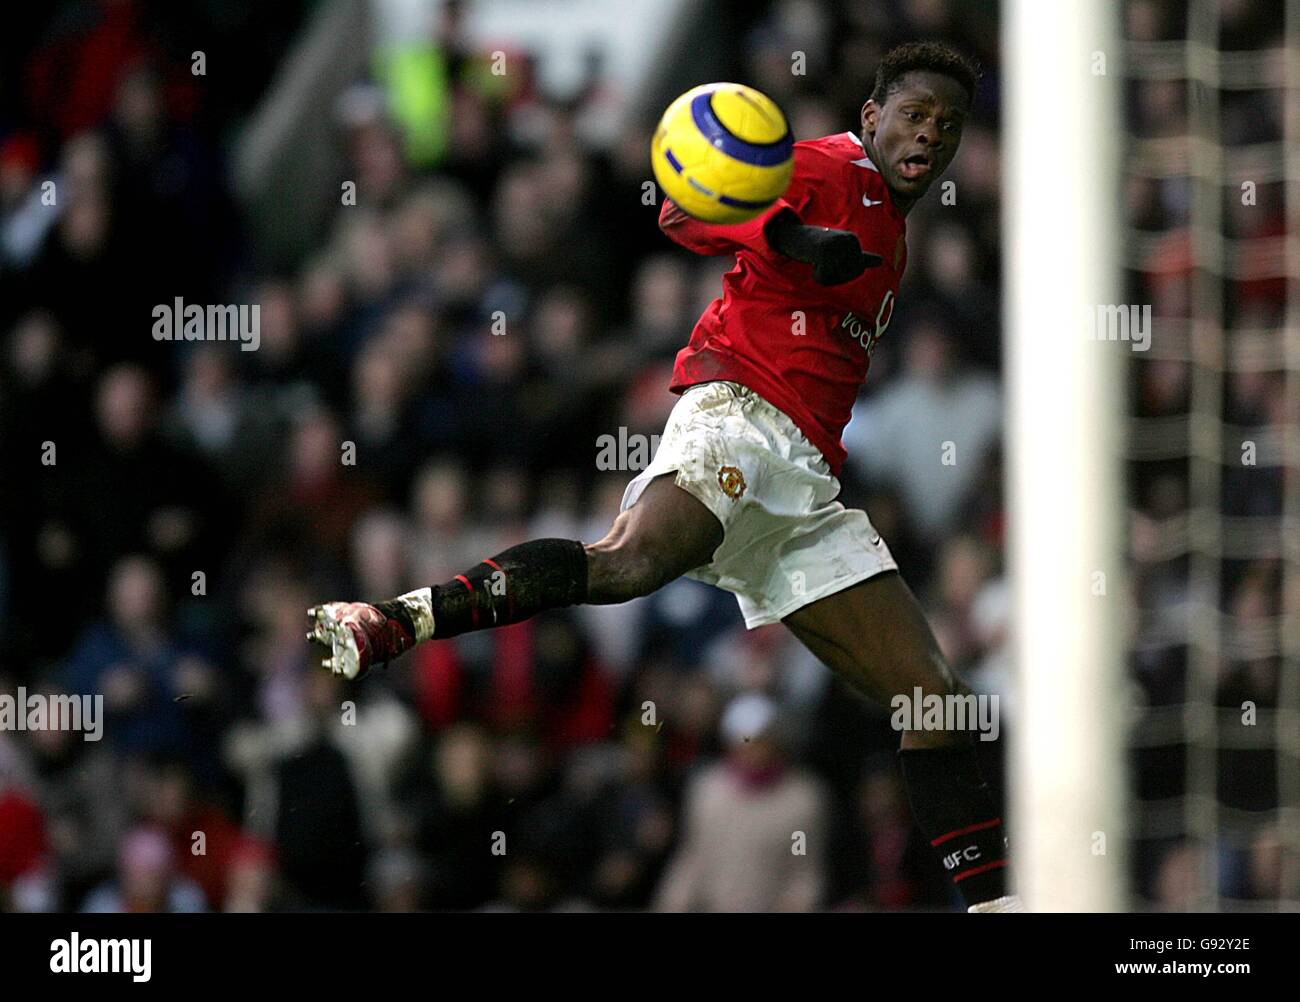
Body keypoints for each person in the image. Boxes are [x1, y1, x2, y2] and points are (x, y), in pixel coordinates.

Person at [309, 41, 1020, 913]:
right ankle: (396, 620)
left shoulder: (896, 234)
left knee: (936, 701)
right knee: (628, 565)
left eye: (947, 125)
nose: (930, 134)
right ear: (872, 116)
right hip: (740, 423)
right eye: (914, 114)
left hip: (803, 489)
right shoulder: (830, 168)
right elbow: (684, 212)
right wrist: (793, 233)